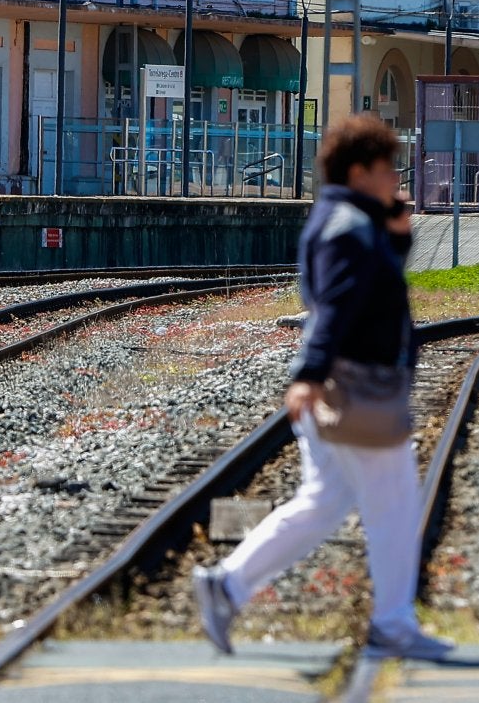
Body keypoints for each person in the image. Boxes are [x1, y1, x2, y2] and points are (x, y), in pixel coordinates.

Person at [194, 114, 453, 662]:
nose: (395, 178)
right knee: (397, 504)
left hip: (341, 388)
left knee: (325, 501)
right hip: (354, 389)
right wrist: (308, 376)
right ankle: (393, 623)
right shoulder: (348, 228)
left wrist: (398, 241)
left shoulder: (348, 220)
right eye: (388, 168)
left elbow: (368, 288)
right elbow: (334, 306)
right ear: (361, 172)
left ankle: (227, 586)